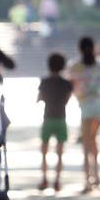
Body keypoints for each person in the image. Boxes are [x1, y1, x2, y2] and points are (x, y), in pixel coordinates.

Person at [69, 36, 100, 194]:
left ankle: (87, 179)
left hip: (85, 106)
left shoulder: (75, 66)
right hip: (99, 105)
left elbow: (73, 87)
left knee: (86, 144)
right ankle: (97, 177)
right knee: (93, 140)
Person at [37, 52, 74, 192]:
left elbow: (39, 98)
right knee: (59, 152)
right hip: (61, 119)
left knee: (44, 152)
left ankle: (44, 179)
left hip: (47, 119)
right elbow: (68, 98)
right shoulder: (66, 83)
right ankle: (57, 181)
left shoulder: (44, 81)